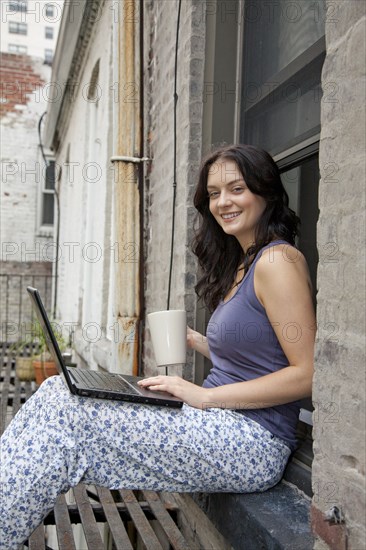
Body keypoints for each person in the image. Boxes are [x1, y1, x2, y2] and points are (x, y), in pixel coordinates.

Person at [0, 144, 316, 548]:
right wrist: (198, 342)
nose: (223, 202)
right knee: (57, 390)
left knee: (68, 414)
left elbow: (306, 373)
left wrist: (203, 396)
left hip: (252, 442)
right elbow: (258, 359)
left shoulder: (278, 262)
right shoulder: (245, 263)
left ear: (265, 191)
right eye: (214, 193)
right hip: (221, 423)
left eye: (236, 188)